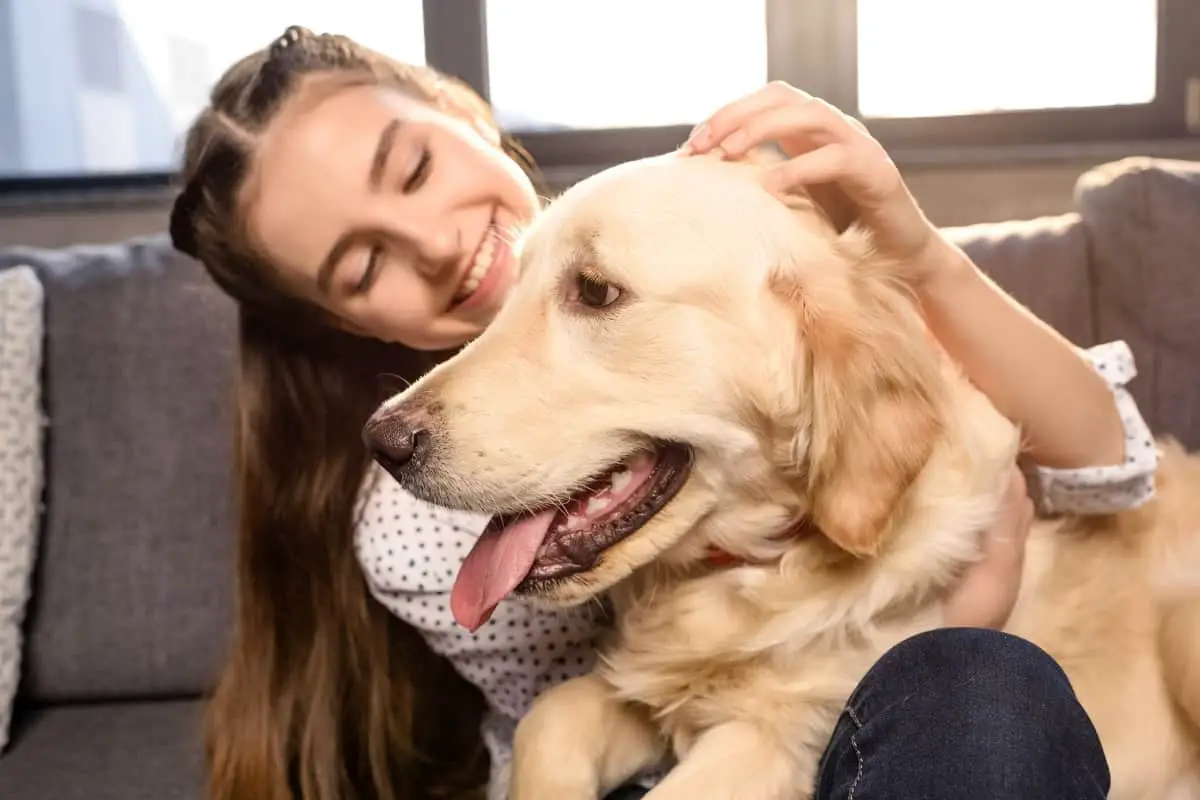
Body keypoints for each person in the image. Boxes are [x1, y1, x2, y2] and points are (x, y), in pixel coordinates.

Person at [169, 26, 1156, 800]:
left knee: (984, 691)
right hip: (720, 749)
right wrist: (966, 609)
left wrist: (917, 252)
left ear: (463, 114)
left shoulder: (693, 234)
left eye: (415, 166)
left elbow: (1114, 465)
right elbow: (648, 701)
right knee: (978, 684)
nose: (434, 242)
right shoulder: (421, 523)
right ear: (339, 320)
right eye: (364, 262)